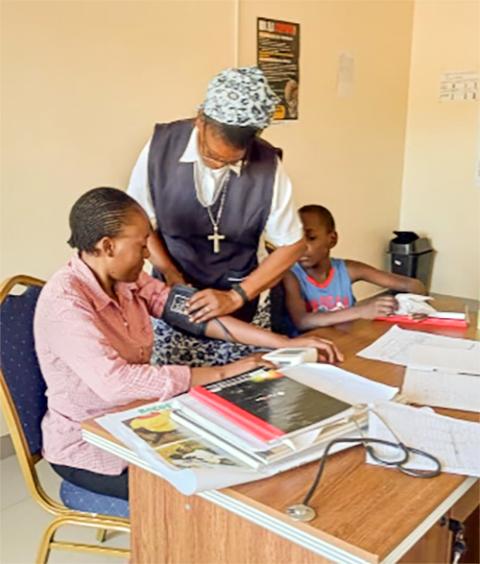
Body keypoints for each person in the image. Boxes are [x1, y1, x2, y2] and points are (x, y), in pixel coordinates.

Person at [34, 188, 342, 501]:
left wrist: (282, 342)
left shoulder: (130, 280)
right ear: (107, 246)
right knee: (219, 490)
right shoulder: (65, 304)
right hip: (91, 445)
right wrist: (223, 372)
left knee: (248, 448)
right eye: (142, 246)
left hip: (141, 420)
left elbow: (195, 314)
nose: (146, 256)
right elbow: (115, 384)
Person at [127, 66, 305, 324]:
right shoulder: (161, 147)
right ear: (200, 120)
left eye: (231, 162)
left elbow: (292, 244)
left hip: (242, 300)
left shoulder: (266, 163)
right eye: (211, 155)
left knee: (248, 365)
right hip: (172, 292)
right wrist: (171, 274)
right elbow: (138, 221)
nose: (218, 165)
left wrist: (236, 297)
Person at [283, 205, 426, 332]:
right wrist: (360, 311)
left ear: (332, 239)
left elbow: (413, 285)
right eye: (296, 240)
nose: (300, 247)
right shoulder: (291, 275)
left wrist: (414, 307)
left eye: (311, 238)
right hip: (308, 352)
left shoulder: (347, 269)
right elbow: (302, 321)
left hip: (345, 344)